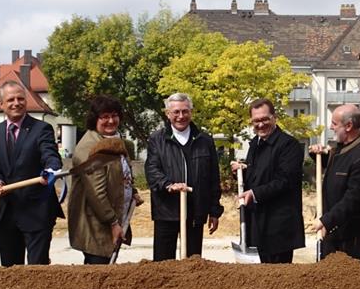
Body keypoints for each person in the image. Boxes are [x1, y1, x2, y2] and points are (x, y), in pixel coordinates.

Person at [0, 80, 63, 266]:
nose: (16, 103)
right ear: (1, 104)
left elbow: (50, 155)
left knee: (36, 272)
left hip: (37, 211)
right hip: (8, 214)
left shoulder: (41, 129)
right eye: (11, 99)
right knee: (10, 272)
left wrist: (50, 170)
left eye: (20, 98)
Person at [144, 93, 223, 261]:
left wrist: (214, 210)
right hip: (166, 211)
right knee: (163, 263)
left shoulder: (204, 140)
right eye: (176, 112)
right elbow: (152, 169)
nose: (181, 116)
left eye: (185, 111)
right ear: (167, 113)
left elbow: (213, 178)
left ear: (191, 112)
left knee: (193, 263)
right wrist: (168, 185)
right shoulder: (157, 139)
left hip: (195, 211)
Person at [68, 95, 142, 264]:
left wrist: (133, 192)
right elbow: (96, 192)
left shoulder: (113, 141)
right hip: (96, 225)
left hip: (110, 221)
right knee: (98, 272)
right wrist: (113, 222)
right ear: (95, 119)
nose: (110, 120)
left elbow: (120, 174)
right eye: (104, 117)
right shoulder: (89, 147)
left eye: (114, 115)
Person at [233, 98, 304, 263]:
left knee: (277, 282)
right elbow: (260, 175)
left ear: (274, 117)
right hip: (257, 224)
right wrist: (242, 172)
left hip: (278, 229)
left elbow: (285, 180)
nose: (260, 125)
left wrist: (255, 193)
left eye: (265, 119)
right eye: (256, 121)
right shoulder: (255, 145)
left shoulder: (289, 145)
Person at [309, 104, 360, 261]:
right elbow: (336, 168)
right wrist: (317, 155)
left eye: (334, 123)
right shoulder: (341, 149)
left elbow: (353, 200)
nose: (330, 127)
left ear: (348, 126)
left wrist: (326, 221)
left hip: (348, 237)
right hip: (333, 233)